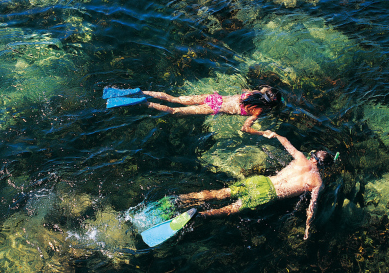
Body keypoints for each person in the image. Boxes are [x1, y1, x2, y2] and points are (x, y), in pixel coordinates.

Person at [176, 131, 336, 240]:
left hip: (261, 181)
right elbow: (312, 205)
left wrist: (273, 134)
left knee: (222, 192)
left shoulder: (300, 157)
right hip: (268, 194)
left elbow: (285, 141)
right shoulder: (317, 182)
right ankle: (201, 215)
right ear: (323, 166)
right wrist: (308, 226)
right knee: (231, 209)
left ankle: (182, 198)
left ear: (313, 156)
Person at [142, 85, 282, 136]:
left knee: (174, 99)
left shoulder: (254, 93)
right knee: (173, 111)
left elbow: (255, 89)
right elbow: (245, 128)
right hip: (214, 107)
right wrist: (262, 132)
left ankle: (144, 92)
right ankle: (146, 104)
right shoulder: (257, 111)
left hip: (214, 98)